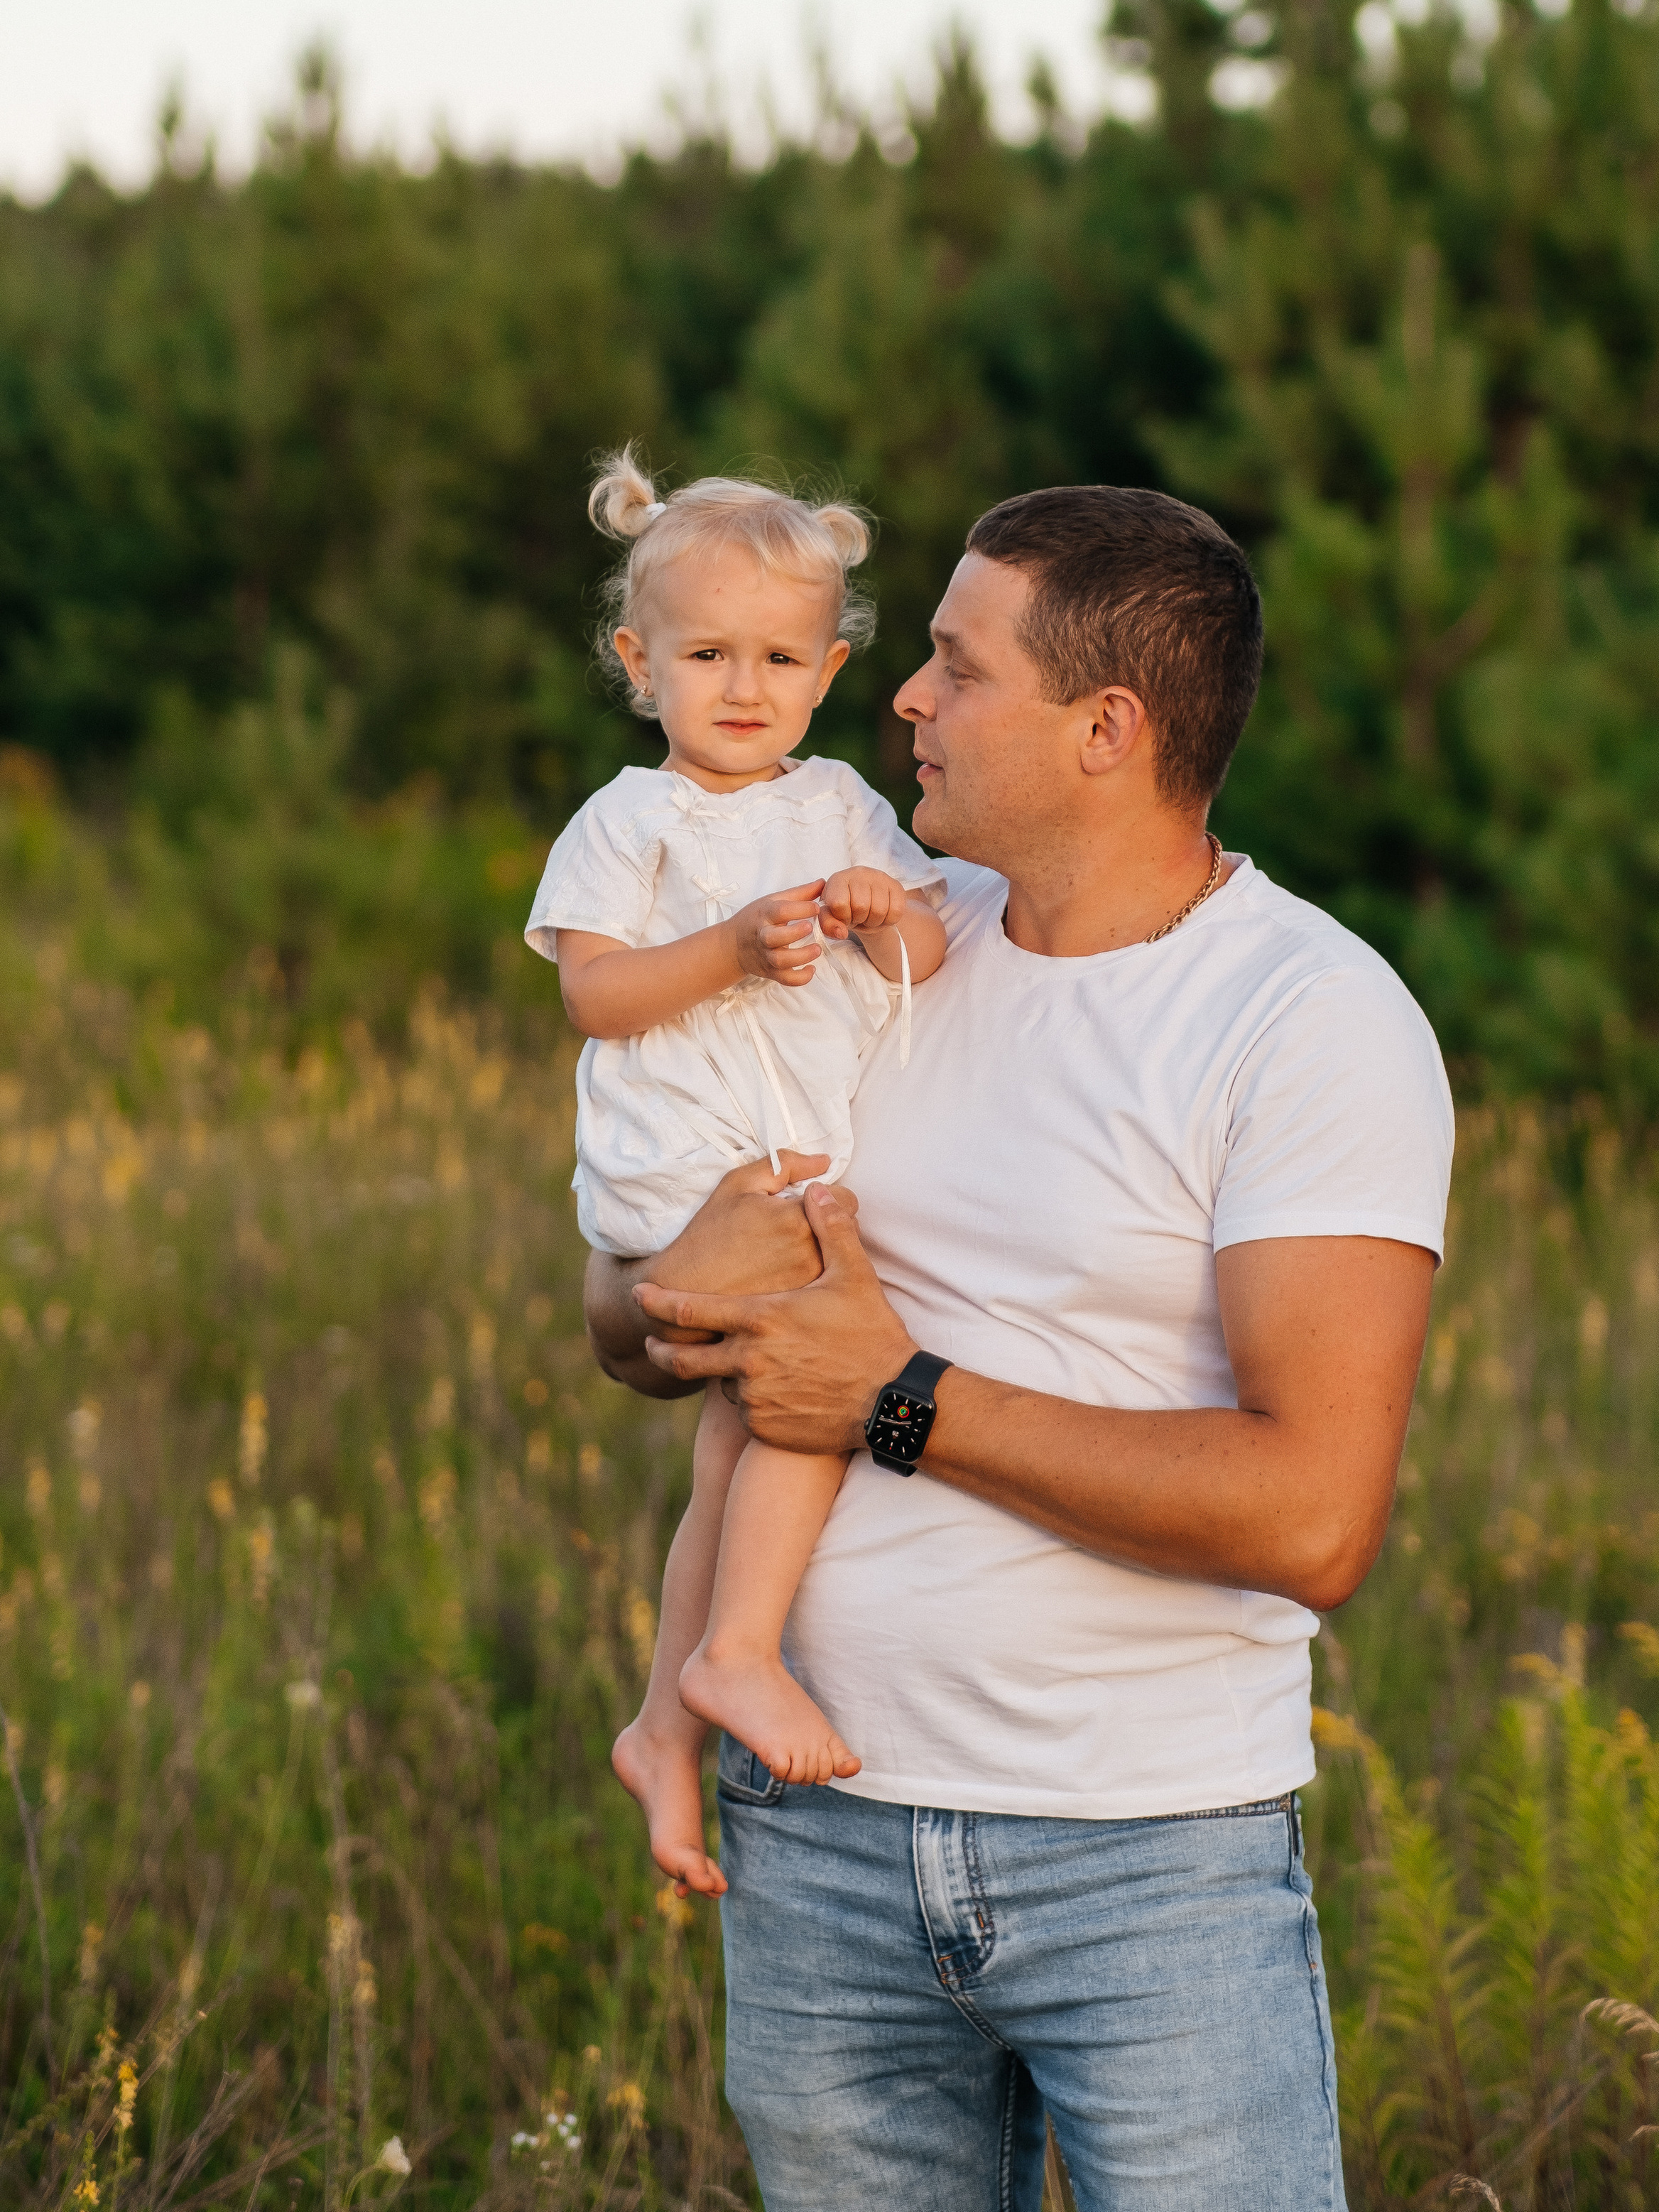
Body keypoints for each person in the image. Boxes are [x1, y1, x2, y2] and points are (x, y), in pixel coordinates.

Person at [588, 484, 1454, 2211]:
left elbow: (1310, 1519)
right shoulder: (886, 941)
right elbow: (639, 1326)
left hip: (1145, 1870)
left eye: (953, 666)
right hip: (814, 1843)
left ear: (1104, 729)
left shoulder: (1308, 1019)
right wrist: (659, 1294)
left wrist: (895, 1401)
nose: (899, 693)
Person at [526, 452, 947, 1899]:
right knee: (811, 1400)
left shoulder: (836, 805)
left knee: (739, 1438)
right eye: (707, 655)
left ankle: (661, 1731)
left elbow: (926, 956)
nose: (744, 687)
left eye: (778, 657)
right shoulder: (629, 822)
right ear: (639, 663)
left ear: (829, 670)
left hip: (787, 1171)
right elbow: (595, 994)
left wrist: (882, 911)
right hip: (686, 1179)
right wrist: (727, 948)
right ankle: (739, 1652)